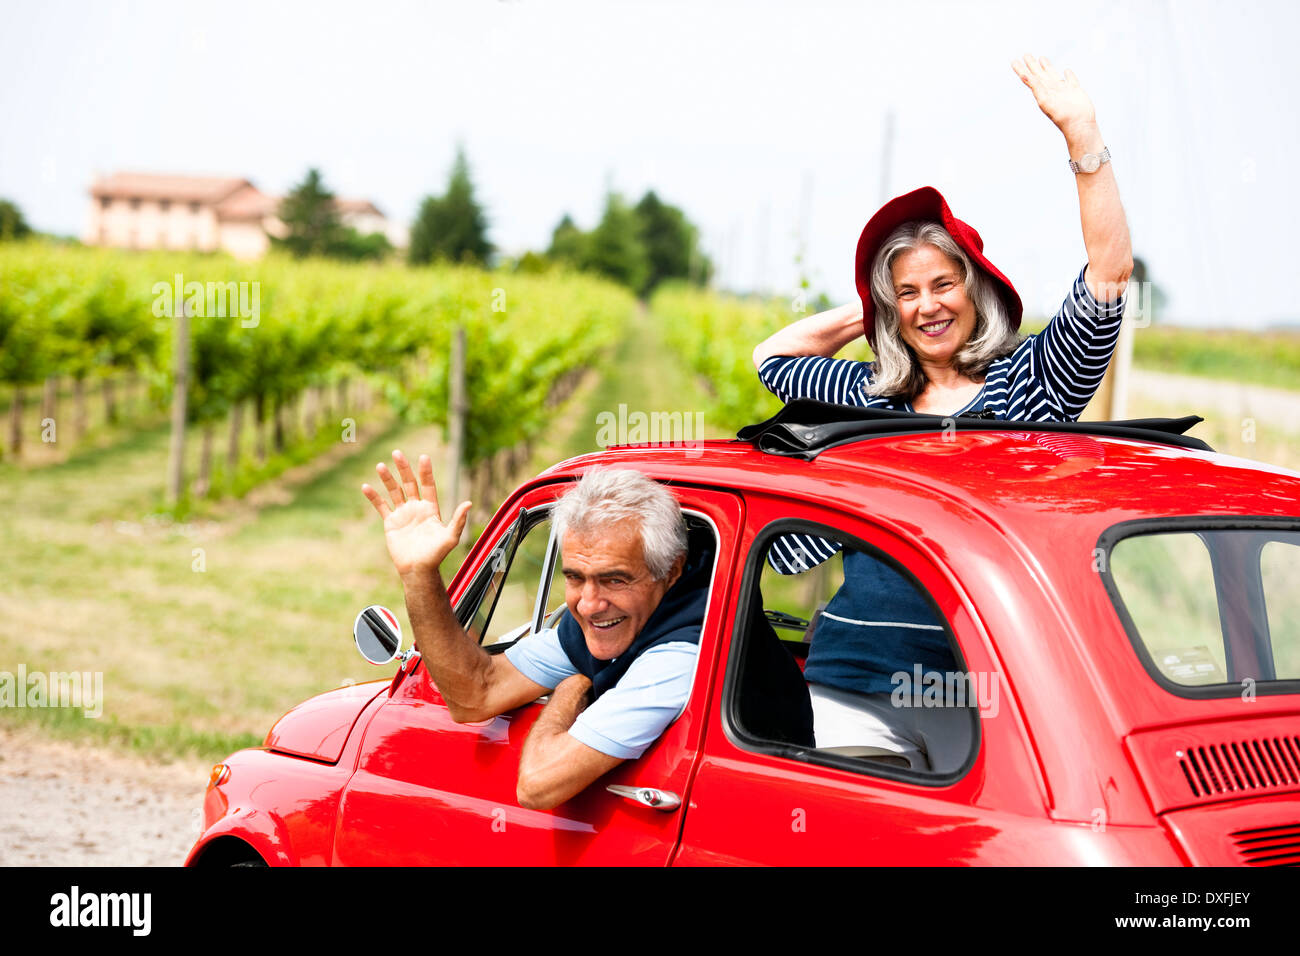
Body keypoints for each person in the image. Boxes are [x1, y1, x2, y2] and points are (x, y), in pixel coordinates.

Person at [749, 55, 1133, 769]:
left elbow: (1108, 276)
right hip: (851, 682)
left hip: (987, 692)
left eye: (944, 283)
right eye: (908, 292)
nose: (928, 306)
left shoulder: (1033, 386)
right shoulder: (872, 395)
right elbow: (772, 357)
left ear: (978, 286)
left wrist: (1082, 135)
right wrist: (872, 307)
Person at [361, 455, 704, 809]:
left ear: (672, 571)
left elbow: (538, 785)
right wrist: (419, 574)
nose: (588, 604)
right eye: (574, 577)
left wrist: (570, 688)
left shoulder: (682, 655)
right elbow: (475, 695)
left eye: (614, 579)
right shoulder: (611, 619)